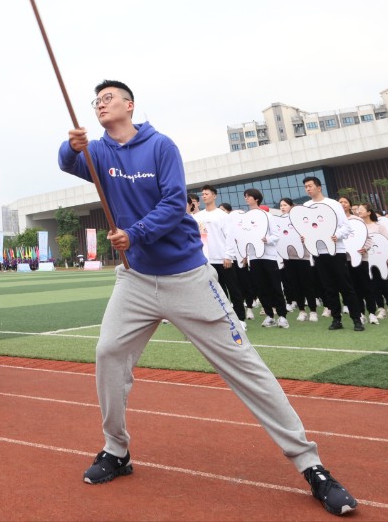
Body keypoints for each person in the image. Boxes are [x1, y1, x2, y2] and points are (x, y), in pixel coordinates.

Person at [61, 80, 357, 514]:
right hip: (135, 280)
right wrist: (71, 146)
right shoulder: (99, 151)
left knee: (245, 366)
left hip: (188, 278)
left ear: (130, 105)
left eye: (109, 98)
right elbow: (69, 163)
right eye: (96, 101)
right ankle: (116, 449)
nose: (101, 105)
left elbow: (172, 204)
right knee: (108, 354)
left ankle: (310, 465)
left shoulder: (160, 146)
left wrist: (135, 233)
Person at [302, 178, 365, 331]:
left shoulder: (333, 204)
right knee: (328, 287)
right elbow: (305, 227)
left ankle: (356, 319)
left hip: (337, 251)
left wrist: (337, 236)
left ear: (319, 187)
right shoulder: (306, 206)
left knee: (345, 286)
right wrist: (304, 237)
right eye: (306, 187)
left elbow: (346, 227)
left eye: (310, 186)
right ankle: (336, 319)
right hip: (318, 252)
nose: (308, 189)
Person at [194, 188, 247, 322]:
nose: (204, 196)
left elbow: (229, 236)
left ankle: (240, 319)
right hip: (207, 260)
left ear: (214, 196)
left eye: (206, 194)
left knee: (233, 289)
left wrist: (228, 256)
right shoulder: (198, 216)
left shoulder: (222, 215)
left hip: (223, 259)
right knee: (217, 291)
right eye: (202, 194)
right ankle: (223, 319)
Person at [240, 190, 289, 328]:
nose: (246, 198)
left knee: (275, 286)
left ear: (256, 199)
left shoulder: (267, 216)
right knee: (260, 287)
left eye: (248, 196)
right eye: (245, 196)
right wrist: (245, 254)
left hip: (268, 256)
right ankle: (269, 315)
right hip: (253, 257)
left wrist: (267, 240)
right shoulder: (245, 217)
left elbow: (276, 235)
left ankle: (282, 316)